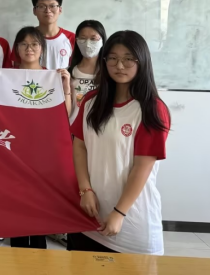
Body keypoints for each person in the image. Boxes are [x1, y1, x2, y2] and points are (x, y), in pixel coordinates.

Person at [69, 31, 170, 256]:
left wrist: (119, 212)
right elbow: (80, 146)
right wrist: (85, 190)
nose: (120, 66)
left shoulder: (152, 109)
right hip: (88, 217)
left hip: (131, 222)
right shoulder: (91, 101)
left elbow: (142, 168)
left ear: (142, 61)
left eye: (128, 59)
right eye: (113, 58)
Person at [10, 26, 71, 251]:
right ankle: (17, 252)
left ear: (42, 49)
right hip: (14, 150)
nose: (29, 48)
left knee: (38, 204)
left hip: (42, 151)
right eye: (24, 44)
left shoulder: (52, 76)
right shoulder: (6, 75)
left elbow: (64, 115)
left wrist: (65, 87)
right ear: (16, 48)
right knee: (16, 205)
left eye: (34, 44)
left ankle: (38, 253)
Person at [68, 20, 107, 124]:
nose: (88, 44)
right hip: (74, 128)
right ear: (77, 40)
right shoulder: (69, 73)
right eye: (83, 38)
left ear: (102, 40)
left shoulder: (109, 72)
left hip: (101, 127)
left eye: (93, 38)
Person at [30, 0, 75, 70]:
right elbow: (17, 68)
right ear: (34, 11)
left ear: (60, 10)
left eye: (52, 6)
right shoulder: (26, 37)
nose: (47, 10)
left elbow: (76, 69)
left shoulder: (72, 38)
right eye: (42, 6)